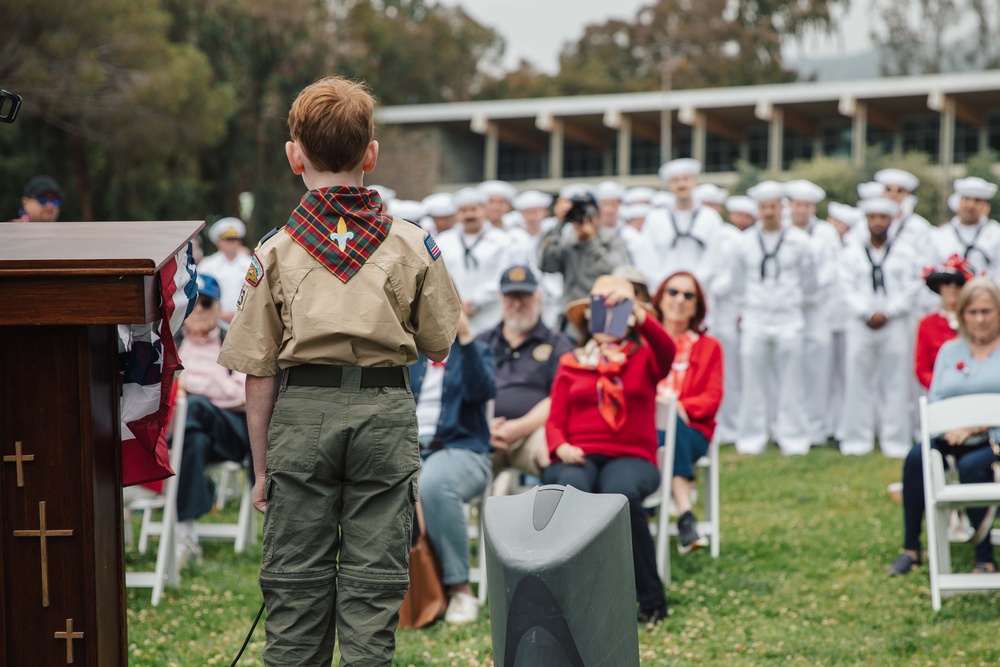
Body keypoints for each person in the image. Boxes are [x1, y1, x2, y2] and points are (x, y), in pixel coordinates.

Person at [217, 75, 461, 666]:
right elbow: (439, 342)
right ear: (371, 155)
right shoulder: (411, 245)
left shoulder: (275, 250)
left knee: (296, 585)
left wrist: (260, 470)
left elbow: (259, 369)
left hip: (301, 416)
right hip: (383, 413)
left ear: (293, 155)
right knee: (373, 589)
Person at [544, 274, 676, 625]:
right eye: (599, 311)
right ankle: (568, 598)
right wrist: (561, 446)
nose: (606, 320)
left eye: (615, 313)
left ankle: (651, 601)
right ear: (588, 318)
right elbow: (554, 420)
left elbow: (668, 351)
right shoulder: (570, 363)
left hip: (632, 457)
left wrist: (639, 314)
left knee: (620, 498)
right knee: (569, 493)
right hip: (580, 454)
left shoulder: (645, 357)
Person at [887, 278, 1000, 576]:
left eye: (986, 311)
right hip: (950, 434)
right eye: (972, 312)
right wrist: (949, 425)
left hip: (993, 440)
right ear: (962, 315)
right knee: (916, 458)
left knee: (974, 466)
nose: (979, 319)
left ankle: (984, 554)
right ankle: (911, 547)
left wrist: (978, 425)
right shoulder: (950, 351)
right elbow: (935, 395)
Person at [409, 310, 495, 623]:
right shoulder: (411, 355)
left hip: (464, 451)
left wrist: (467, 338)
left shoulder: (476, 351)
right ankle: (394, 589)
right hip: (412, 451)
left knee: (433, 483)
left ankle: (460, 590)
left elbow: (482, 392)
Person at [731, 181, 817, 455]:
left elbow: (810, 281)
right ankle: (751, 439)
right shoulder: (743, 243)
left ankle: (793, 439)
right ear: (757, 209)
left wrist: (791, 302)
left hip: (789, 319)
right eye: (764, 207)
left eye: (773, 206)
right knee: (752, 382)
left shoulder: (800, 241)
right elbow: (737, 282)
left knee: (792, 382)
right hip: (755, 319)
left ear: (782, 207)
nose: (769, 212)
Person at [173, 274, 250, 566]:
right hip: (191, 429)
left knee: (195, 406)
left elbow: (243, 393)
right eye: (194, 303)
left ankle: (172, 450)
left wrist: (193, 384)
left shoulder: (235, 339)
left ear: (218, 308)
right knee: (192, 441)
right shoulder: (175, 341)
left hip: (230, 429)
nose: (200, 310)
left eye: (207, 303)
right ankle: (187, 536)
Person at [838, 197, 920, 457]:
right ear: (866, 220)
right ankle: (856, 440)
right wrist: (865, 312)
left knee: (896, 383)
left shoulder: (905, 251)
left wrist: (889, 312)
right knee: (856, 381)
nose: (877, 223)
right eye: (872, 218)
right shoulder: (851, 252)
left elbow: (912, 285)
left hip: (894, 323)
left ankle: (895, 441)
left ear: (891, 220)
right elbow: (844, 287)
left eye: (883, 218)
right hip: (860, 323)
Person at [476, 266, 574, 479]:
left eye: (525, 296)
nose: (518, 303)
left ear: (538, 297)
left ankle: (548, 512)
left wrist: (519, 428)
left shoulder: (558, 344)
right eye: (512, 296)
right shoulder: (481, 342)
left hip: (534, 432)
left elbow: (559, 397)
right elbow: (463, 393)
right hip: (484, 433)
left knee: (556, 455)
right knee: (448, 466)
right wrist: (483, 427)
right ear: (501, 299)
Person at [652, 271, 723, 553]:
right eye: (673, 292)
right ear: (660, 299)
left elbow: (712, 398)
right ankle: (685, 514)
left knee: (669, 420)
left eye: (688, 295)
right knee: (661, 420)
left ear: (697, 306)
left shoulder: (709, 347)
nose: (679, 300)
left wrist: (679, 408)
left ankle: (678, 507)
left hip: (691, 430)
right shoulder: (643, 343)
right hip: (646, 427)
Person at [785, 180, 842, 446]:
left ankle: (817, 429)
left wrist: (812, 292)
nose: (801, 210)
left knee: (819, 370)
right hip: (786, 308)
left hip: (818, 308)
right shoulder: (782, 230)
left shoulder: (826, 232)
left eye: (806, 205)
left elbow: (831, 269)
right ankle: (787, 426)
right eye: (797, 204)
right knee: (789, 371)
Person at [538, 192, 631, 325]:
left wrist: (591, 242)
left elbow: (615, 272)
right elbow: (546, 266)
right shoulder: (567, 244)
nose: (582, 218)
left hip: (604, 317)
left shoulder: (613, 243)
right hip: (571, 318)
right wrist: (559, 225)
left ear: (598, 216)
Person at [638, 158, 724, 291]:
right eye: (675, 180)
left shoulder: (710, 217)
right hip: (664, 291)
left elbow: (714, 257)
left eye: (686, 179)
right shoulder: (655, 218)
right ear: (669, 186)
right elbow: (647, 256)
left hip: (700, 291)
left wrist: (692, 284)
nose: (681, 184)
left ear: (695, 182)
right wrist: (667, 285)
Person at [436, 187, 512, 335]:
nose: (469, 215)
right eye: (464, 211)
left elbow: (503, 276)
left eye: (474, 209)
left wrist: (475, 301)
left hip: (490, 316)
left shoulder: (502, 240)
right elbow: (438, 277)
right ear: (457, 214)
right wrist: (457, 303)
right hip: (453, 317)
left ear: (484, 210)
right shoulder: (443, 241)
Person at [915, 255, 976, 391]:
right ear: (939, 287)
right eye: (947, 282)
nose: (953, 287)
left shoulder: (976, 320)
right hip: (940, 392)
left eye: (959, 283)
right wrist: (943, 386)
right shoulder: (927, 323)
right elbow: (921, 369)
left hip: (974, 390)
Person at [930, 177, 1000, 282]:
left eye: (977, 200)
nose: (970, 205)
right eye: (966, 198)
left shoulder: (996, 234)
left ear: (985, 205)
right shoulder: (940, 235)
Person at [198, 217, 252, 323]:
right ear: (218, 242)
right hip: (215, 322)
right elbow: (200, 295)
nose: (231, 243)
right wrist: (219, 314)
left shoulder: (251, 264)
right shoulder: (207, 265)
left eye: (235, 239)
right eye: (227, 240)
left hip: (246, 321)